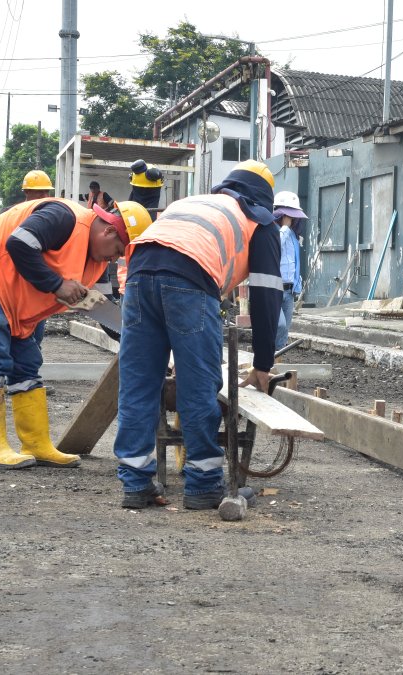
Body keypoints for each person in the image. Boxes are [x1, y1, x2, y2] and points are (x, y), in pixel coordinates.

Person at [112, 160, 283, 510]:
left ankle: (135, 484)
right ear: (264, 198)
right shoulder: (260, 220)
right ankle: (204, 485)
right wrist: (263, 364)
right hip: (190, 278)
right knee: (198, 383)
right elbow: (267, 296)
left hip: (139, 274)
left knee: (139, 383)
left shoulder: (192, 203)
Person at [0, 196, 151, 470]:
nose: (115, 258)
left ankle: (36, 444)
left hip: (18, 300)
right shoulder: (64, 217)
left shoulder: (98, 264)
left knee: (27, 365)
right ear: (109, 230)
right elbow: (18, 244)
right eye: (118, 250)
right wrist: (57, 284)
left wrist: (135, 340)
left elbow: (106, 312)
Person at [272, 190, 307, 353]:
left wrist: (296, 286)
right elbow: (275, 246)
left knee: (284, 331)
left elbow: (295, 262)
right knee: (279, 325)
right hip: (274, 288)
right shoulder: (272, 232)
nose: (291, 219)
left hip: (289, 290)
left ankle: (276, 361)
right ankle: (268, 358)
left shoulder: (293, 235)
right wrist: (284, 228)